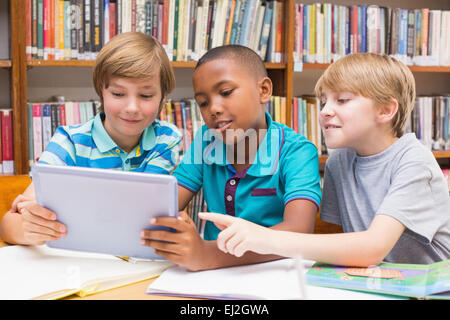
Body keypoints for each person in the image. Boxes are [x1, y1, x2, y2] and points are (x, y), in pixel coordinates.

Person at [200, 53, 450, 266]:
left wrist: (260, 237)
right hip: (378, 282)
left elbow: (373, 247)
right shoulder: (339, 160)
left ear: (385, 110)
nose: (324, 111)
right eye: (324, 101)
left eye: (342, 100)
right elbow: (335, 238)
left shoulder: (414, 161)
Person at [140, 45, 322, 271]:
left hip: (274, 273)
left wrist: (207, 255)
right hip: (211, 275)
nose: (213, 109)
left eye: (226, 92)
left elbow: (299, 233)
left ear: (263, 90)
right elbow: (163, 205)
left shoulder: (297, 152)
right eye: (203, 102)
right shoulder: (206, 141)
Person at [0, 32, 181, 245]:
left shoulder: (166, 139)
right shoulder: (69, 142)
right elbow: (10, 224)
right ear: (101, 92)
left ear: (163, 98)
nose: (132, 108)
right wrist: (28, 227)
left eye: (146, 96)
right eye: (118, 94)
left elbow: (145, 214)